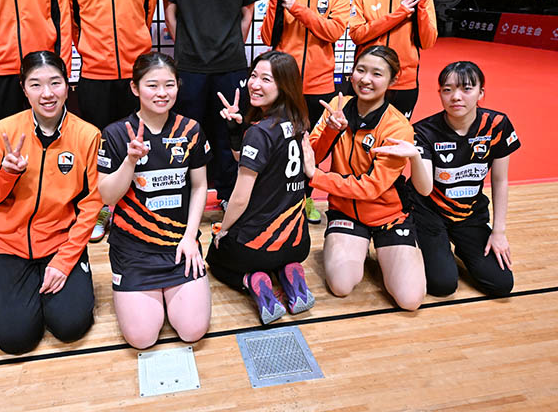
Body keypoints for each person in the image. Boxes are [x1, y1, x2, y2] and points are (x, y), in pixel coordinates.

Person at [0, 51, 102, 355]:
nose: (47, 93)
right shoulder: (4, 130)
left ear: (67, 85)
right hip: (8, 245)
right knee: (14, 339)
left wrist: (64, 261)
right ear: (23, 89)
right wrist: (7, 173)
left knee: (70, 326)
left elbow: (91, 205)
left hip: (60, 242)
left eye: (55, 83)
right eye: (35, 84)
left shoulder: (88, 135)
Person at [64, 0, 158, 242]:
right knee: (100, 151)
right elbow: (71, 23)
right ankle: (101, 210)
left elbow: (146, 14)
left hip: (138, 76)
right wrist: (92, 51)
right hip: (95, 75)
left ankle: (138, 208)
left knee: (140, 144)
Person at [159, 0, 263, 208]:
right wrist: (187, 47)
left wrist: (230, 47)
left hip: (230, 66)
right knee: (186, 133)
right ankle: (184, 197)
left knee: (228, 133)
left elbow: (247, 13)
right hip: (189, 66)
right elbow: (170, 12)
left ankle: (230, 196)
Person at [375, 61, 519, 297]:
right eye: (448, 90)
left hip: (470, 214)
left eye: (466, 89)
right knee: (442, 285)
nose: (456, 97)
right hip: (428, 212)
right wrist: (414, 157)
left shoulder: (496, 125)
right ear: (440, 93)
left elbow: (500, 180)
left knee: (501, 284)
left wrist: (499, 232)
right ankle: (430, 243)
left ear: (481, 92)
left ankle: (463, 246)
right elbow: (424, 189)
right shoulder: (423, 131)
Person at [98, 52, 211, 348]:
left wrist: (190, 237)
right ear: (135, 88)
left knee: (193, 331)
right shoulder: (115, 134)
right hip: (133, 251)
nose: (162, 93)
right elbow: (107, 195)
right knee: (142, 338)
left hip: (179, 245)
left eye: (169, 85)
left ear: (178, 86)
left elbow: (199, 186)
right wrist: (130, 160)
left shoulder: (190, 130)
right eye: (152, 85)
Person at [303, 45, 426, 310]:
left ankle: (395, 248)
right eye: (361, 70)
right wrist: (331, 131)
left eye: (377, 74)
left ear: (393, 80)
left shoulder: (397, 127)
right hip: (346, 211)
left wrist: (317, 177)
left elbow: (371, 188)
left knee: (410, 300)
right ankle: (353, 245)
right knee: (341, 286)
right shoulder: (336, 106)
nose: (366, 79)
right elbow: (313, 155)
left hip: (388, 215)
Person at [207, 51, 315, 325]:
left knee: (214, 256)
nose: (254, 84)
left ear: (284, 85)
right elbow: (244, 158)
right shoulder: (299, 122)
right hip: (298, 243)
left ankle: (251, 279)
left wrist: (224, 230)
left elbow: (240, 198)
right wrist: (235, 129)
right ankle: (289, 272)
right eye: (253, 76)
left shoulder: (260, 132)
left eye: (266, 79)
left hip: (257, 247)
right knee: (274, 252)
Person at [260, 0, 351, 224]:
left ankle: (307, 198)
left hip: (319, 85)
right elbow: (267, 37)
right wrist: (276, 0)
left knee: (313, 147)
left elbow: (333, 31)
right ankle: (280, 199)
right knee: (281, 145)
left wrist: (295, 7)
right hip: (284, 86)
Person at [348, 0, 440, 119]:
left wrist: (421, 6)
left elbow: (428, 42)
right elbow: (357, 35)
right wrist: (401, 12)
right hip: (367, 80)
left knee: (396, 134)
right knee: (359, 132)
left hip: (404, 83)